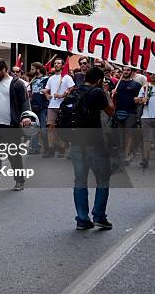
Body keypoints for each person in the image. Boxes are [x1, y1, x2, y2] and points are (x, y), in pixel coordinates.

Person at [70, 67, 115, 230]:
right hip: (94, 142)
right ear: (99, 80)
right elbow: (111, 111)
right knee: (103, 178)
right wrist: (107, 94)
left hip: (75, 142)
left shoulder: (74, 91)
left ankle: (82, 218)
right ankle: (99, 215)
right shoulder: (97, 92)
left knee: (80, 180)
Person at [0, 59, 32, 194]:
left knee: (13, 154)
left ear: (4, 69)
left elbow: (25, 102)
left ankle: (19, 180)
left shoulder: (17, 84)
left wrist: (26, 116)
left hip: (11, 125)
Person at [44, 58, 75, 157]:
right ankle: (51, 148)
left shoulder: (66, 77)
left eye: (59, 63)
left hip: (63, 106)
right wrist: (46, 95)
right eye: (55, 63)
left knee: (61, 127)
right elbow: (47, 89)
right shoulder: (51, 78)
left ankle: (62, 148)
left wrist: (62, 95)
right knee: (50, 127)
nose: (56, 65)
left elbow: (71, 88)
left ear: (62, 65)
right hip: (52, 105)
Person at [111, 67, 142, 165]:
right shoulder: (118, 84)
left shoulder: (136, 85)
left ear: (131, 71)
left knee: (129, 134)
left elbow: (141, 99)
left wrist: (139, 100)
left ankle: (126, 155)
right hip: (119, 112)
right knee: (120, 135)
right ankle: (123, 153)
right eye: (124, 70)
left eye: (128, 70)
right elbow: (113, 98)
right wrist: (113, 93)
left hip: (131, 113)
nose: (125, 72)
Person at [28, 62, 49, 155]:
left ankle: (47, 148)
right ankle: (35, 147)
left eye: (33, 69)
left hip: (43, 106)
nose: (31, 71)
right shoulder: (33, 80)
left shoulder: (46, 79)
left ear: (38, 69)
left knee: (43, 128)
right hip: (34, 106)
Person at [136, 74, 154, 169]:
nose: (153, 75)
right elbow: (137, 101)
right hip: (146, 117)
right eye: (151, 74)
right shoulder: (145, 87)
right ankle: (145, 160)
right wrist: (141, 100)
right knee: (146, 139)